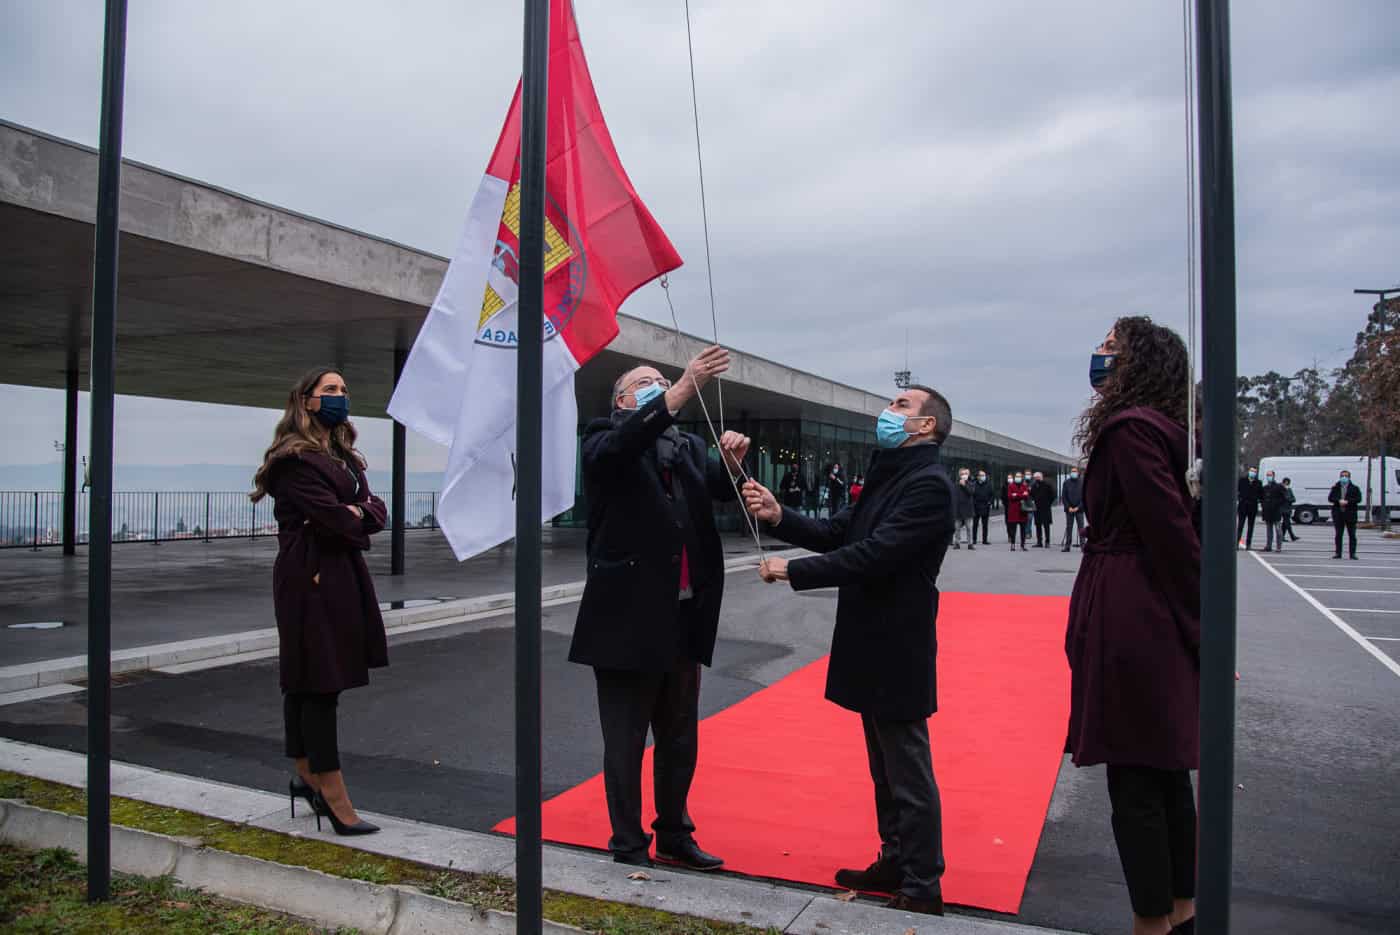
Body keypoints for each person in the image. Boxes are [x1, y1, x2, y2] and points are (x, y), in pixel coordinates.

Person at [741, 384, 954, 916]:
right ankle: (895, 858)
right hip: (871, 637)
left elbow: (876, 553)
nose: (889, 410)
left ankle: (923, 883)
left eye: (902, 405)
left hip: (897, 641)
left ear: (926, 426)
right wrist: (778, 515)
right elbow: (839, 531)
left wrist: (794, 569)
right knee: (883, 764)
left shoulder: (929, 485)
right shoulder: (891, 475)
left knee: (907, 766)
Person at [568, 346, 750, 870]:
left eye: (663, 379)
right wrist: (678, 390)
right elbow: (623, 446)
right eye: (646, 382)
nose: (659, 384)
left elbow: (711, 493)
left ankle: (675, 832)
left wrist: (732, 467)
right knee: (626, 740)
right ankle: (627, 843)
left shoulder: (688, 446)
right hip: (625, 620)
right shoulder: (604, 437)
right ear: (625, 399)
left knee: (678, 735)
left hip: (683, 615)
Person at [1068, 317, 1199, 935]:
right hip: (1148, 608)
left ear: (1135, 363)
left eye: (1112, 346)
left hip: (1132, 611)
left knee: (1138, 780)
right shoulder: (1164, 429)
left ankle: (1153, 922)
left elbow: (1171, 535)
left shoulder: (1129, 431)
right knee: (1164, 773)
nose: (1099, 353)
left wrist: (1204, 629)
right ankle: (1179, 912)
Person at [250, 368, 388, 837]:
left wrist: (358, 512)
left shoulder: (342, 456)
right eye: (330, 390)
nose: (340, 397)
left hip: (338, 573)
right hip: (308, 576)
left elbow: (373, 511)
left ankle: (306, 774)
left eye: (345, 390)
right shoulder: (292, 461)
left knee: (310, 679)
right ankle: (331, 792)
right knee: (316, 681)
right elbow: (340, 519)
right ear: (306, 401)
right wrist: (355, 513)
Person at [1329, 469, 1362, 560]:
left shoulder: (1355, 488)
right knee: (1338, 535)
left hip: (1350, 514)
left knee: (1352, 535)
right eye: (1342, 476)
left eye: (1346, 476)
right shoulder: (1335, 487)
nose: (1344, 478)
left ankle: (1352, 554)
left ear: (1349, 477)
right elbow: (1330, 498)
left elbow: (1358, 499)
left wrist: (1348, 502)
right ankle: (1338, 553)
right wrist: (1338, 501)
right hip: (1338, 514)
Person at [1259, 470, 1288, 553]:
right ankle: (1268, 546)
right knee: (1269, 530)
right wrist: (1264, 505)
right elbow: (1262, 498)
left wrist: (1277, 504)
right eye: (1268, 475)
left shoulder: (1279, 486)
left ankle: (1279, 547)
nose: (1269, 476)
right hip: (1268, 512)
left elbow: (1284, 498)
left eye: (1270, 475)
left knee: (1278, 530)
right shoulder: (1265, 488)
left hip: (1276, 512)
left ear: (1274, 476)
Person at [1236, 467, 1261, 549]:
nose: (1252, 473)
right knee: (1240, 525)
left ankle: (1248, 544)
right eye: (1251, 471)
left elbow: (1261, 494)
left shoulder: (1258, 482)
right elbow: (1238, 491)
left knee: (1251, 527)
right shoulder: (1242, 481)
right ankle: (1236, 543)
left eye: (1254, 472)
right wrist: (1240, 498)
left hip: (1252, 507)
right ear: (1248, 472)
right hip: (1243, 506)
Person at [1061, 467, 1085, 551]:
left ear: (1078, 472)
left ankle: (1083, 546)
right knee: (1069, 527)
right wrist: (1069, 507)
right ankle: (1067, 546)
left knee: (1081, 528)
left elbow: (1085, 497)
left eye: (1075, 471)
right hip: (1069, 509)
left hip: (1080, 509)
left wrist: (1078, 507)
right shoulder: (1066, 483)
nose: (1073, 473)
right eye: (1072, 471)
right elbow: (1064, 497)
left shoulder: (1082, 482)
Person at [1006, 472, 1031, 551]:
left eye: (1019, 476)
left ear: (1022, 477)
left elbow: (1026, 495)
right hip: (1013, 511)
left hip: (1023, 511)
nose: (1018, 478)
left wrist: (1016, 495)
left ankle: (1023, 545)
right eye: (1017, 476)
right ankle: (1012, 544)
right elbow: (1010, 496)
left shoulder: (1024, 486)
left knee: (1023, 529)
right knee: (1013, 529)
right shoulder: (1010, 486)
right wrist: (1021, 495)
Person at [1030, 471, 1056, 547]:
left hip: (1045, 508)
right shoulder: (1034, 486)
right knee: (1038, 525)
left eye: (1038, 477)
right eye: (1035, 478)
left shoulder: (1047, 485)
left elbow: (1053, 495)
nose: (1036, 479)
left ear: (1041, 477)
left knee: (1046, 525)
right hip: (1037, 508)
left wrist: (1048, 503)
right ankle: (1039, 542)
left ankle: (1047, 542)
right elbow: (1031, 495)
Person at [952, 468, 975, 550]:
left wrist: (964, 485)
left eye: (965, 474)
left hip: (968, 510)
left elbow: (971, 492)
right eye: (962, 474)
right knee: (957, 528)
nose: (964, 475)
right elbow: (954, 496)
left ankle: (970, 543)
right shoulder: (956, 484)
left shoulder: (971, 483)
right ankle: (957, 543)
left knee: (969, 528)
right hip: (958, 510)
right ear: (959, 475)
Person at [972, 469, 994, 544]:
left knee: (985, 525)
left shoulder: (988, 484)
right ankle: (974, 539)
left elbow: (992, 495)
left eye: (983, 475)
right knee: (975, 524)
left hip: (985, 506)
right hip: (976, 507)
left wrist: (990, 502)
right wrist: (973, 503)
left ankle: (984, 540)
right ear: (977, 476)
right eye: (981, 475)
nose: (982, 477)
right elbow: (972, 495)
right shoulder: (974, 484)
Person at [1280, 478, 1299, 542]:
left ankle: (1282, 537)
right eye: (1285, 482)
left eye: (1287, 483)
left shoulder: (1289, 489)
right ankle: (1292, 536)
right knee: (1287, 523)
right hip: (1282, 509)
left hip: (1288, 509)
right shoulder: (1281, 490)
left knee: (1285, 524)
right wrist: (1288, 499)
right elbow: (1282, 498)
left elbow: (1293, 499)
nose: (1286, 484)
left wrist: (1288, 499)